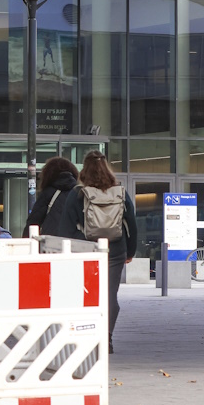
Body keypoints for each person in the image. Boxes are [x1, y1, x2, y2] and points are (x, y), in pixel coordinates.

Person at [58, 150, 137, 354]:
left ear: (84, 169)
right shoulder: (120, 192)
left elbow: (65, 229)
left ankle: (86, 335)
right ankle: (107, 337)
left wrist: (79, 241)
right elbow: (132, 224)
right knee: (110, 295)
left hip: (87, 251)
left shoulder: (77, 193)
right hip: (115, 249)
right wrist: (130, 251)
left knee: (85, 294)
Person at [25, 156, 80, 237]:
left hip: (50, 242)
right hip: (76, 242)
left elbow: (34, 221)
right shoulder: (79, 193)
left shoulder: (48, 193)